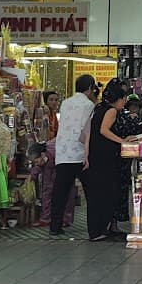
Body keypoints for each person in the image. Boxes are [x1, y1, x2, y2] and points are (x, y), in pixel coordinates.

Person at [48, 75, 97, 238]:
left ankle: (54, 226)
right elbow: (86, 130)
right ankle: (94, 227)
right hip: (80, 152)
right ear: (90, 88)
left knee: (60, 191)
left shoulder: (66, 103)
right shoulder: (89, 105)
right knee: (91, 192)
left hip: (63, 152)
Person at [84, 80, 129, 242]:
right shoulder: (111, 111)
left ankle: (99, 229)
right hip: (104, 157)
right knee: (105, 192)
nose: (124, 103)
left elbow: (90, 132)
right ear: (118, 99)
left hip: (96, 155)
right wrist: (122, 141)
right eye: (123, 99)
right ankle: (98, 230)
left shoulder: (99, 108)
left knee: (98, 193)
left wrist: (86, 154)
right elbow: (104, 130)